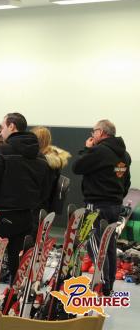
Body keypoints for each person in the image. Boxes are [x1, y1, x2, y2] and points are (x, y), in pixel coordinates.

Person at [0, 113, 50, 281]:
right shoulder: (40, 156)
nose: (1, 131)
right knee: (18, 264)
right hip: (27, 217)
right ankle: (16, 295)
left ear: (11, 126)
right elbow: (45, 189)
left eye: (3, 127)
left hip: (0, 216)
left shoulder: (2, 151)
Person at [72, 119, 131, 296]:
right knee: (109, 245)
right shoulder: (125, 155)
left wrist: (87, 149)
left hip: (96, 205)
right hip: (115, 206)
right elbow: (126, 182)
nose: (92, 134)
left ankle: (101, 283)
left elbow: (77, 167)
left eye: (94, 131)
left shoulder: (98, 151)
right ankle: (108, 286)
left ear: (101, 132)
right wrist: (116, 198)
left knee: (94, 244)